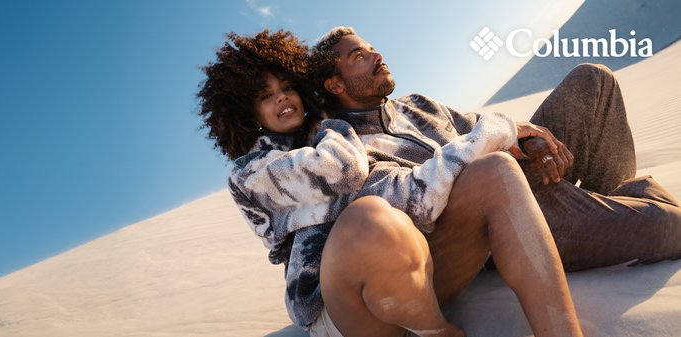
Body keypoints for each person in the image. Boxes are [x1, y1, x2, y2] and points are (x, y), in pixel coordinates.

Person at [198, 29, 584, 337]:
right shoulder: (255, 173)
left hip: (410, 280)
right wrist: (330, 126)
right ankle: (438, 333)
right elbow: (345, 171)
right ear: (248, 115)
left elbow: (405, 195)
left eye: (287, 87)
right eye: (267, 97)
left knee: (494, 172)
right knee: (366, 218)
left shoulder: (331, 138)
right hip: (342, 312)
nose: (283, 99)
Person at [308, 24, 681, 329]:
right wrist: (492, 144)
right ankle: (630, 206)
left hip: (518, 177)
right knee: (670, 224)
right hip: (500, 224)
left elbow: (482, 127)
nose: (377, 55)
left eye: (372, 47)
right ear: (335, 85)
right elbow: (416, 203)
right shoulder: (343, 145)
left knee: (594, 80)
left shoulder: (417, 105)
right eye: (359, 56)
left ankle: (611, 203)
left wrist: (528, 139)